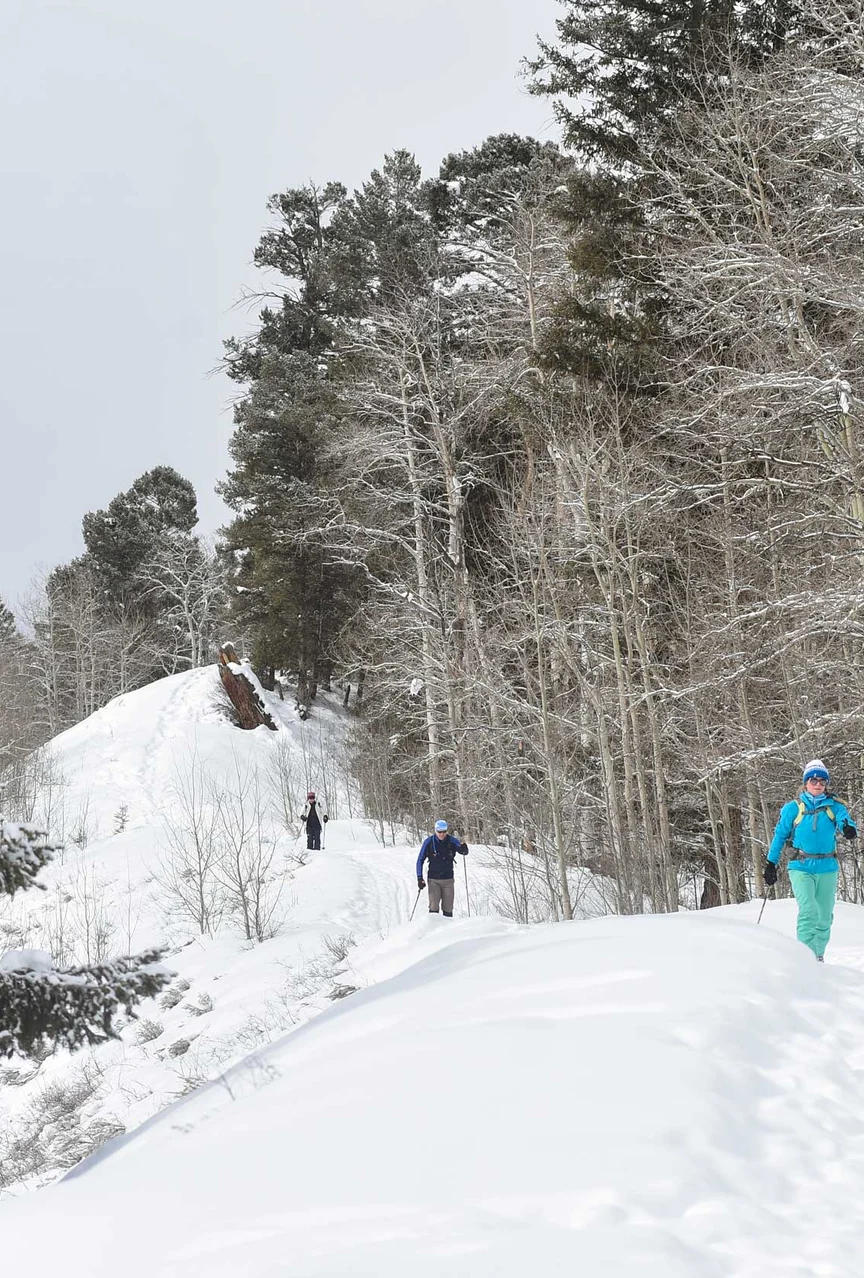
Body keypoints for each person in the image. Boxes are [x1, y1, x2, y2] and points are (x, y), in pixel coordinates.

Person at [764, 759, 857, 961]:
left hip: (827, 868)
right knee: (808, 911)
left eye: (822, 781)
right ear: (806, 782)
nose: (818, 785)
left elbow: (845, 821)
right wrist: (770, 864)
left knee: (824, 916)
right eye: (814, 780)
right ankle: (804, 959)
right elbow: (780, 836)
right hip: (801, 866)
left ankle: (818, 956)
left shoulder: (834, 806)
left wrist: (849, 829)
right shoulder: (793, 808)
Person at [416, 819, 468, 917]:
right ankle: (433, 930)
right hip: (433, 880)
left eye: (444, 831)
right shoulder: (429, 842)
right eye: (439, 832)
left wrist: (464, 849)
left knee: (448, 909)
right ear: (435, 831)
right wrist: (419, 878)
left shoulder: (452, 840)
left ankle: (447, 931)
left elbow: (462, 850)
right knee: (434, 907)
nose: (442, 834)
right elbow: (420, 860)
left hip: (448, 879)